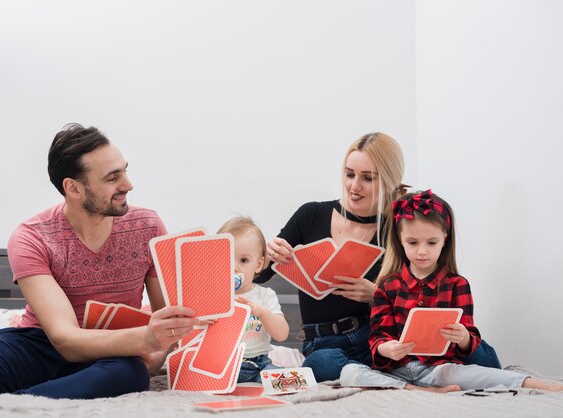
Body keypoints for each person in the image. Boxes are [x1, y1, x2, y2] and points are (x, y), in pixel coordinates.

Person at [0, 123, 201, 399]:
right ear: (73, 188)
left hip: (113, 350)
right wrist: (147, 338)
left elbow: (170, 314)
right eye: (112, 178)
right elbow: (65, 339)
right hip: (40, 344)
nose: (128, 185)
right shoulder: (33, 237)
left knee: (128, 374)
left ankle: (10, 406)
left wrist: (157, 352)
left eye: (125, 170)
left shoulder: (148, 226)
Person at [255, 132, 501, 382]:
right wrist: (268, 252)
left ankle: (379, 375)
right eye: (349, 174)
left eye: (368, 178)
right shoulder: (310, 215)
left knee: (479, 355)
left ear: (388, 181)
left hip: (373, 339)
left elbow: (417, 296)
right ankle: (381, 377)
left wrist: (376, 295)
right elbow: (261, 274)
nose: (354, 186)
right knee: (322, 363)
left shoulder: (397, 230)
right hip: (323, 341)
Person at [340, 190, 563, 392]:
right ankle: (417, 390)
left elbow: (469, 336)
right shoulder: (388, 286)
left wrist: (464, 337)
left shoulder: (458, 285)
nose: (422, 251)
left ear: (444, 240)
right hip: (394, 370)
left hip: (439, 370)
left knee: (474, 372)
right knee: (348, 372)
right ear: (400, 240)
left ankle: (540, 385)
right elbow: (378, 338)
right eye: (413, 242)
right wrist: (387, 349)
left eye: (431, 242)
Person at [217, 216, 290, 383]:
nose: (234, 267)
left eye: (243, 260)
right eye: (226, 259)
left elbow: (282, 334)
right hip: (225, 364)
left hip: (259, 364)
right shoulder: (215, 295)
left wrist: (262, 312)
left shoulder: (265, 295)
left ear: (258, 265)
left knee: (279, 379)